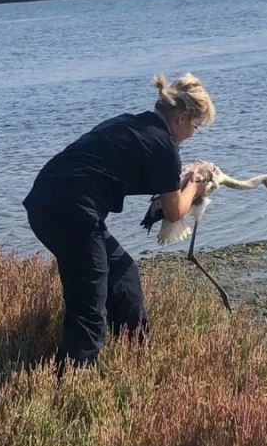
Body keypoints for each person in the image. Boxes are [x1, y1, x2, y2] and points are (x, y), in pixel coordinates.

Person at [23, 72, 216, 370]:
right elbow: (175, 212)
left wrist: (182, 181)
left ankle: (138, 358)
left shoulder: (133, 124)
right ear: (181, 117)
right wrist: (196, 182)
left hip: (48, 203)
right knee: (88, 308)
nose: (193, 134)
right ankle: (70, 385)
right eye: (196, 125)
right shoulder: (164, 145)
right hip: (71, 213)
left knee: (123, 275)